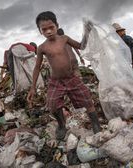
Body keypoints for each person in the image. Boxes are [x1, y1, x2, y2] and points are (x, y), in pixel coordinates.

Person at [27, 11, 101, 140]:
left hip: (72, 78)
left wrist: (87, 32)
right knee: (52, 104)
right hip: (56, 81)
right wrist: (33, 87)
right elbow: (37, 67)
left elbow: (81, 46)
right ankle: (62, 125)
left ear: (57, 25)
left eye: (51, 27)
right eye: (44, 29)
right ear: (40, 31)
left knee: (87, 101)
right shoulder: (42, 48)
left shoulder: (64, 39)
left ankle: (95, 124)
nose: (49, 31)